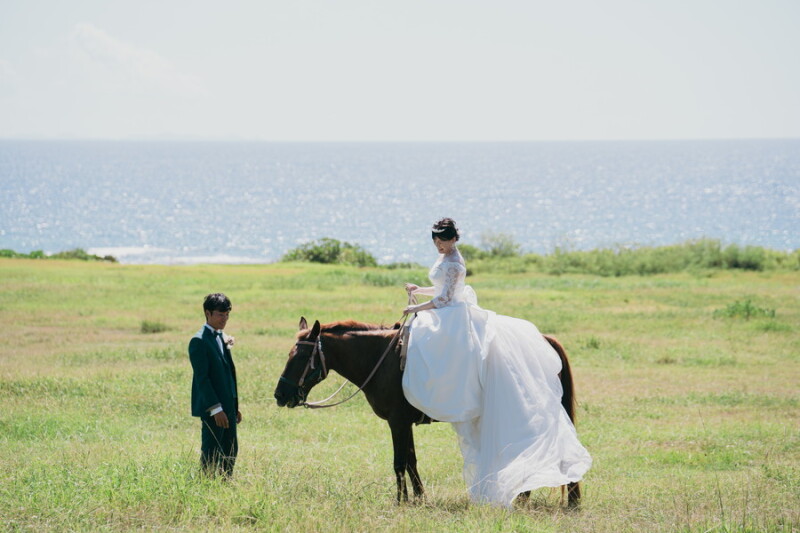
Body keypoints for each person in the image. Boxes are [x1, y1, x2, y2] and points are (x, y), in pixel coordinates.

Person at [401, 218, 591, 507]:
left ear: (454, 239)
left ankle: (453, 389)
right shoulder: (446, 259)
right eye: (436, 240)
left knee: (438, 342)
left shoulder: (454, 262)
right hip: (449, 310)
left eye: (444, 240)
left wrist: (416, 306)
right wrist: (421, 290)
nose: (439, 245)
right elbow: (440, 290)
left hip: (453, 314)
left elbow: (446, 299)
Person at [188, 293, 241, 476]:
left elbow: (228, 375)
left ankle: (226, 484)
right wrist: (216, 409)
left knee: (231, 449)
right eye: (220, 314)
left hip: (229, 406)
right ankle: (205, 486)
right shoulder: (198, 341)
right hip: (214, 408)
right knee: (211, 451)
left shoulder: (219, 337)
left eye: (227, 315)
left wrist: (234, 406)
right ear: (207, 313)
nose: (224, 319)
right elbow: (203, 379)